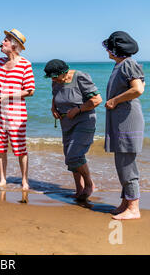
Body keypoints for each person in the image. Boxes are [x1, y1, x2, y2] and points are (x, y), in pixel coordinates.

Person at [0, 29, 35, 190]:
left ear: (14, 46)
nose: (2, 43)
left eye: (6, 41)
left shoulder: (25, 64)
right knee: (0, 148)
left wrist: (7, 97)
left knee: (20, 149)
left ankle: (24, 180)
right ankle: (2, 179)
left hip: (17, 114)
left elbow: (30, 90)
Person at [44, 59, 102, 201]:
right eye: (51, 77)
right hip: (66, 122)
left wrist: (77, 109)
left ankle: (89, 184)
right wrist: (53, 108)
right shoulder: (56, 81)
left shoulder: (80, 77)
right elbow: (55, 95)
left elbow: (96, 100)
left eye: (55, 76)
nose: (53, 79)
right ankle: (79, 190)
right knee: (69, 158)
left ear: (64, 73)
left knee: (74, 155)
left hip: (84, 120)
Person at [103, 31, 145, 220]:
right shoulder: (120, 65)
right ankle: (126, 202)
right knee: (121, 162)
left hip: (127, 121)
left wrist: (114, 101)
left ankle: (134, 208)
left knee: (127, 163)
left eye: (108, 47)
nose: (106, 50)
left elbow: (138, 89)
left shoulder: (128, 64)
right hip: (121, 120)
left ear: (115, 49)